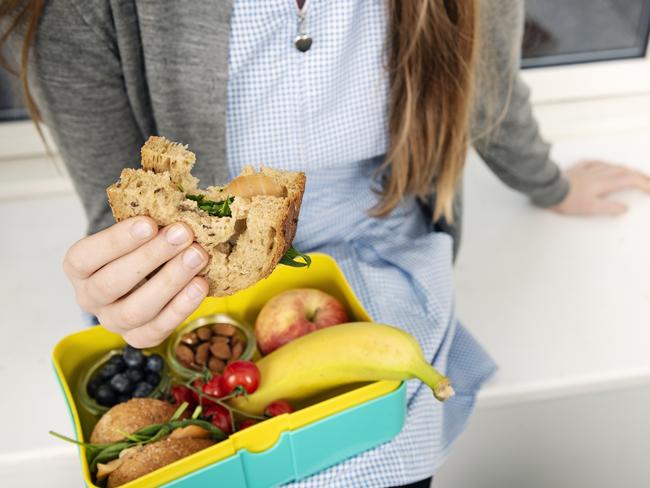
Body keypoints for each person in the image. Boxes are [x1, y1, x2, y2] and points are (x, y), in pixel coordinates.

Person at [2, 1, 649, 487]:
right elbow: (118, 210)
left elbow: (489, 95)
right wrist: (125, 281)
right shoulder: (77, 12)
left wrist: (550, 184)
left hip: (379, 235)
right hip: (200, 271)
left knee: (380, 446)